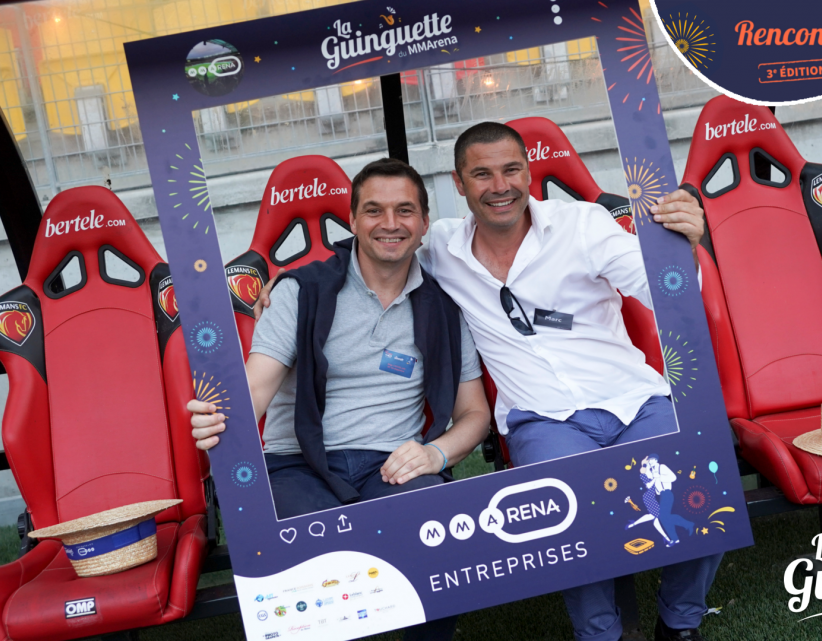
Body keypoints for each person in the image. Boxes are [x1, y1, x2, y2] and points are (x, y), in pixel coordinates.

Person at [420, 121, 718, 641]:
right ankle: (599, 634)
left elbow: (664, 289)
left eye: (512, 170)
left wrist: (685, 247)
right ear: (458, 182)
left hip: (633, 399)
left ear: (529, 172)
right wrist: (285, 287)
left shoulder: (582, 224)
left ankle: (680, 621)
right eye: (482, 174)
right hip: (542, 418)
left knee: (697, 484)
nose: (500, 186)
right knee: (565, 512)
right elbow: (376, 254)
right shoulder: (442, 248)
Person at [188, 158, 491, 641]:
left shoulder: (444, 306)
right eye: (374, 210)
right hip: (297, 463)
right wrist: (220, 419)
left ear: (424, 223)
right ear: (352, 220)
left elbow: (474, 413)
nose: (390, 223)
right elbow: (255, 389)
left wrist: (436, 453)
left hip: (388, 463)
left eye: (404, 210)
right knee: (313, 560)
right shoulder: (301, 292)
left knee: (438, 528)